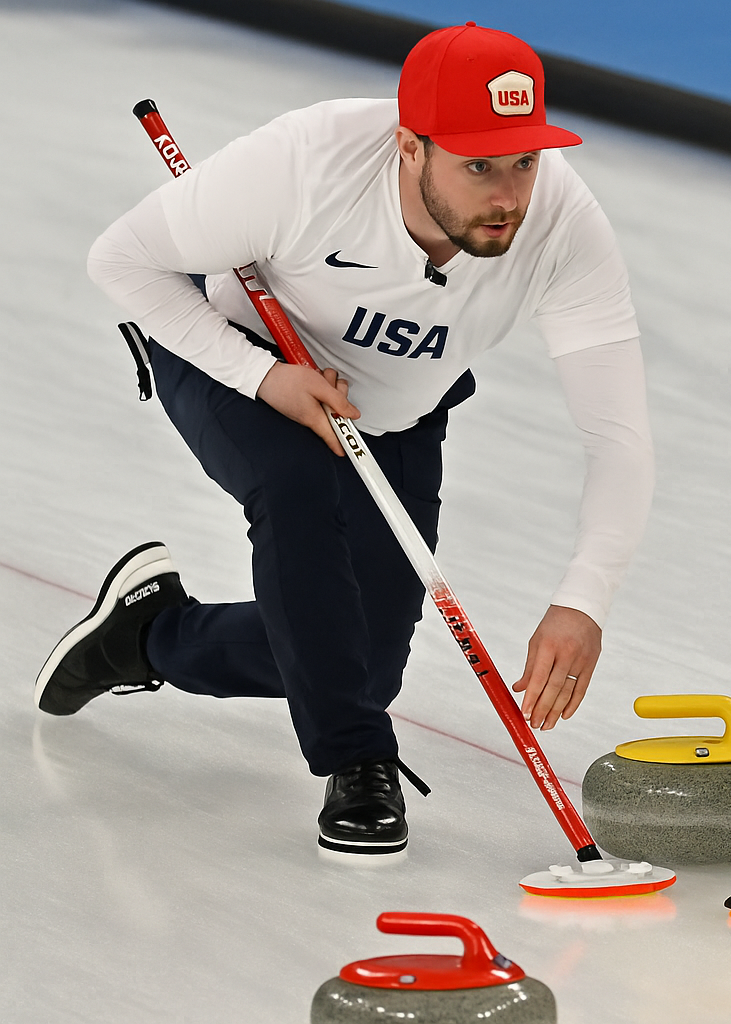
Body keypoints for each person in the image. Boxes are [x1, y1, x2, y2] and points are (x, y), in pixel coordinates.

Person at [34, 24, 654, 862]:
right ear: (409, 146)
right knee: (293, 491)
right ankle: (360, 761)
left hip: (393, 412)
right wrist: (262, 377)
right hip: (229, 347)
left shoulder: (563, 227)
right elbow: (124, 261)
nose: (509, 194)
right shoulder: (303, 165)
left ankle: (148, 635)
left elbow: (617, 433)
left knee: (354, 660)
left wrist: (585, 598)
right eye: (478, 165)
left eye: (525, 161)